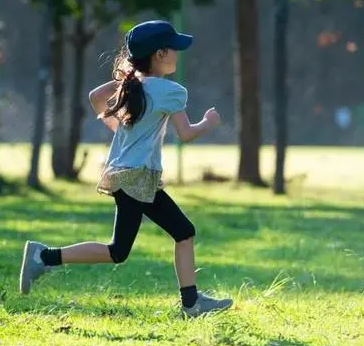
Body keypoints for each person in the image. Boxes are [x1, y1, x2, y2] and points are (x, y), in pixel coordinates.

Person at [19, 20, 233, 318]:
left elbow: (95, 96)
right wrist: (208, 123)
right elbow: (186, 134)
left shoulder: (131, 84)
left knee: (181, 233)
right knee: (121, 249)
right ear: (159, 54)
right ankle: (44, 257)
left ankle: (191, 303)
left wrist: (114, 124)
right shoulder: (171, 91)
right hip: (138, 176)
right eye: (173, 49)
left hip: (125, 173)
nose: (177, 54)